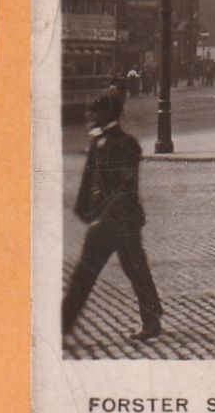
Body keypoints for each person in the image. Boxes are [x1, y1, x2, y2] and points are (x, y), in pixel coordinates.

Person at [62, 92, 163, 342]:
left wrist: (100, 219)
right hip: (105, 223)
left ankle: (151, 321)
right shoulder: (99, 142)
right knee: (124, 272)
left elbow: (122, 188)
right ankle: (62, 326)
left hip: (122, 222)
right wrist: (84, 211)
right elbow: (89, 181)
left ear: (109, 113)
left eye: (94, 111)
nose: (89, 115)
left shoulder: (125, 144)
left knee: (132, 271)